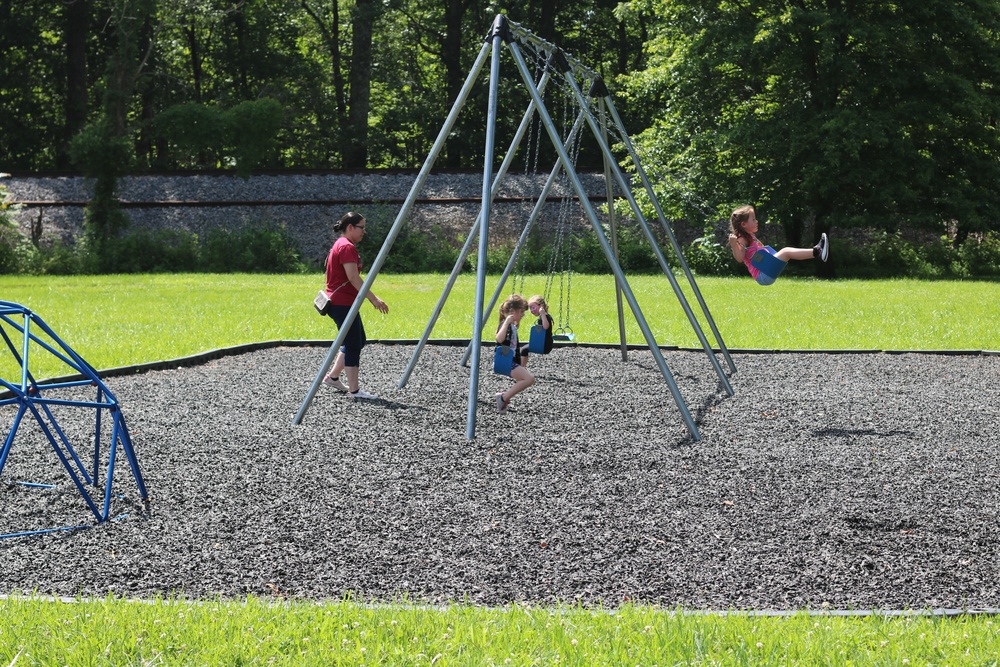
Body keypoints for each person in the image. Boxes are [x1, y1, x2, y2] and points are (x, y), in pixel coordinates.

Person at [321, 212, 389, 399]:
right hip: (341, 303)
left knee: (358, 340)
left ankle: (334, 377)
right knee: (352, 344)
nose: (364, 232)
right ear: (350, 227)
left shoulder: (341, 244)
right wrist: (373, 299)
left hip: (342, 302)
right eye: (361, 227)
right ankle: (355, 391)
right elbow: (353, 277)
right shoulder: (346, 246)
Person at [728, 205, 829, 282]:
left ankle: (817, 252)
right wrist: (733, 244)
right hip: (762, 274)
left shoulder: (749, 236)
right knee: (786, 251)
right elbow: (740, 258)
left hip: (766, 269)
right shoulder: (741, 240)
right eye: (753, 219)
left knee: (787, 252)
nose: (757, 221)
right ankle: (817, 252)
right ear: (744, 224)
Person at [494, 294, 535, 414]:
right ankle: (503, 397)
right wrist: (506, 323)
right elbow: (499, 339)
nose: (523, 314)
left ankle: (504, 397)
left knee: (528, 379)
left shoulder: (512, 326)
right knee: (529, 379)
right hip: (505, 362)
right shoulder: (505, 324)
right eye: (521, 311)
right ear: (513, 311)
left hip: (510, 362)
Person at [519, 294, 553, 366]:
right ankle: (522, 367)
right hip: (542, 344)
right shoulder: (543, 316)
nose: (531, 310)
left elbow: (546, 326)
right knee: (524, 350)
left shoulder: (545, 316)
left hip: (545, 345)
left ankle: (521, 368)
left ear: (541, 306)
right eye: (530, 308)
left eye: (533, 307)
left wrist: (543, 314)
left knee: (524, 350)